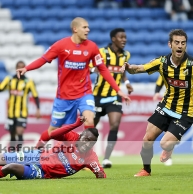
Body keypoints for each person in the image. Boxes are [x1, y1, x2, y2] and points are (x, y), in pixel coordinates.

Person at [16, 17, 131, 150]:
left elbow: (103, 69)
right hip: (64, 97)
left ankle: (85, 157)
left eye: (88, 27)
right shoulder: (61, 45)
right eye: (85, 27)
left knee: (89, 120)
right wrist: (26, 68)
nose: (88, 30)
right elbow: (43, 59)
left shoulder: (92, 47)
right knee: (52, 131)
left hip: (84, 93)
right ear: (75, 29)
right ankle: (36, 150)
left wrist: (118, 90)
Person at [120, 29, 193, 176]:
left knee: (165, 143)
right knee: (147, 139)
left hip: (185, 112)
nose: (180, 46)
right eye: (177, 42)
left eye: (183, 43)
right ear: (170, 44)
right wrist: (129, 68)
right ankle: (146, 170)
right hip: (166, 106)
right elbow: (139, 68)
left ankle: (168, 149)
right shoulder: (162, 62)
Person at [0, 116, 106, 179]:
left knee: (11, 167)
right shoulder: (72, 137)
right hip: (36, 155)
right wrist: (75, 124)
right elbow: (53, 134)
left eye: (91, 143)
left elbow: (100, 173)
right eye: (86, 140)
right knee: (2, 158)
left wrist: (100, 174)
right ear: (80, 136)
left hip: (42, 172)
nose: (87, 145)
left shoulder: (90, 157)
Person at [90, 28, 133, 168]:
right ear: (113, 39)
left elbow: (122, 71)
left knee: (115, 124)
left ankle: (107, 158)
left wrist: (127, 83)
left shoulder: (126, 55)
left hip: (114, 96)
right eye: (121, 37)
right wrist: (95, 69)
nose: (124, 40)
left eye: (125, 37)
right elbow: (90, 66)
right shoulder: (102, 52)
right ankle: (83, 157)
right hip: (97, 95)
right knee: (91, 129)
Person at [0, 61, 40, 151]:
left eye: (22, 67)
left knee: (20, 132)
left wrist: (38, 109)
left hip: (22, 112)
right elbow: (1, 88)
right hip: (11, 112)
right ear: (16, 68)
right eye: (19, 67)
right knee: (12, 134)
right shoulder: (9, 79)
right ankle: (12, 154)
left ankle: (19, 154)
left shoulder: (29, 82)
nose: (20, 70)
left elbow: (35, 95)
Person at [153, 75, 173, 166]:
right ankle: (168, 152)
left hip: (186, 106)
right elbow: (161, 79)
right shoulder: (167, 66)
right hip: (169, 104)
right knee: (168, 130)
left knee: (175, 133)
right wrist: (157, 92)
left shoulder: (191, 67)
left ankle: (169, 149)